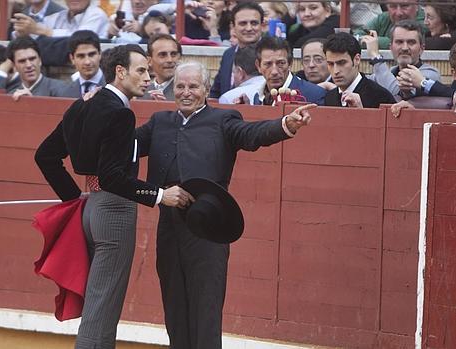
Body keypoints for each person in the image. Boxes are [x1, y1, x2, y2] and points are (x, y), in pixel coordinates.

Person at [136, 60, 315, 349]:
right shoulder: (160, 122)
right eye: (180, 86)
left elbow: (251, 135)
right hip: (168, 222)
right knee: (173, 300)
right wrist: (100, 105)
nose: (185, 92)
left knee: (206, 305)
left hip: (208, 225)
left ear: (206, 89)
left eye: (193, 86)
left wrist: (284, 125)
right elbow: (126, 145)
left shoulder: (222, 120)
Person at [35, 44, 191, 349]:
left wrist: (76, 197)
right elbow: (113, 177)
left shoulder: (81, 106)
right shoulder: (120, 113)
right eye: (141, 70)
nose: (148, 77)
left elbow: (45, 157)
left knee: (99, 299)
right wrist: (159, 195)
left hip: (92, 208)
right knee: (103, 305)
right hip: (115, 212)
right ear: (120, 72)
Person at [364, 20, 440, 100]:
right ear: (391, 48)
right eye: (399, 42)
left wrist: (376, 56)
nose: (405, 48)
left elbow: (397, 92)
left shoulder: (431, 74)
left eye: (411, 42)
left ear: (421, 48)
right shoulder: (388, 73)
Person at [323, 32, 395, 108]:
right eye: (330, 64)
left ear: (357, 60)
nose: (335, 71)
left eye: (342, 63)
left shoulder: (380, 96)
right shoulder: (329, 97)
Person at [209, 2, 263, 98]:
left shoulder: (271, 54)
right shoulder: (228, 54)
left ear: (262, 26)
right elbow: (216, 92)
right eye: (243, 23)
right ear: (233, 27)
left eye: (254, 23)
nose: (249, 28)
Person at [253, 36, 326, 105]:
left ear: (290, 63)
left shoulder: (314, 94)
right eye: (268, 64)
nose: (274, 72)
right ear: (258, 66)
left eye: (281, 63)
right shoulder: (258, 96)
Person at [0, 36, 69, 100]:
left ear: (40, 60)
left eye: (32, 59)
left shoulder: (61, 89)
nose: (28, 65)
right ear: (14, 66)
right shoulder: (11, 94)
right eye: (22, 61)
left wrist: (32, 104)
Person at [13, 0, 109, 39]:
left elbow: (79, 38)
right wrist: (22, 31)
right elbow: (34, 34)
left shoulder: (97, 14)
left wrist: (38, 29)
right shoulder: (57, 17)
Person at [354, 0, 425, 49]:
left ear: (416, 5)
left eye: (404, 6)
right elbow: (356, 36)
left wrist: (374, 42)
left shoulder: (427, 21)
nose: (398, 13)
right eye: (393, 6)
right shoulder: (384, 18)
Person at [61, 30, 104, 98]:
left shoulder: (114, 87)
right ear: (72, 58)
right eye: (81, 56)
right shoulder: (64, 92)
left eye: (92, 54)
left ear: (100, 54)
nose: (87, 62)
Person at [140, 33, 181, 101]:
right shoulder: (141, 92)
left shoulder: (186, 92)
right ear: (149, 61)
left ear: (179, 57)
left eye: (173, 54)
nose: (169, 60)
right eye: (162, 55)